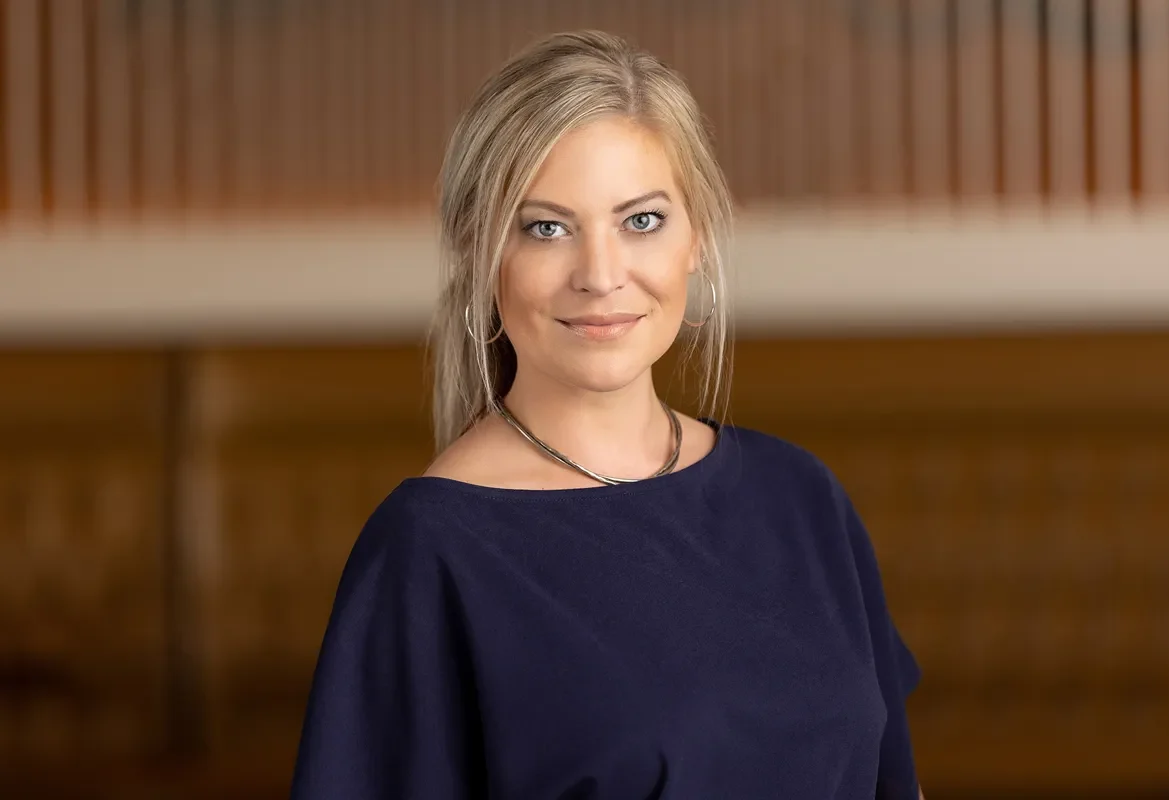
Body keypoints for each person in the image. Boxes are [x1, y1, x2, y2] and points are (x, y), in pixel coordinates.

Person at [290, 30, 923, 800]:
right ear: (480, 255)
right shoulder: (431, 549)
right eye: (546, 227)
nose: (599, 275)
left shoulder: (800, 497)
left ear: (697, 238)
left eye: (642, 220)